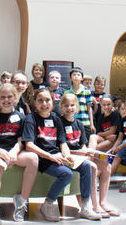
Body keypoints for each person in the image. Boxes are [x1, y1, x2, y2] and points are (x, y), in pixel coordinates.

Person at [23, 88, 101, 221]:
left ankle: (85, 207)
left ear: (52, 103)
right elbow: (29, 145)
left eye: (47, 100)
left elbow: (62, 143)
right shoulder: (31, 119)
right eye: (40, 100)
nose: (44, 104)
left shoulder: (55, 118)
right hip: (43, 159)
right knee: (66, 174)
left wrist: (67, 156)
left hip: (58, 156)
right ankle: (47, 204)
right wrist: (50, 156)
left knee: (87, 166)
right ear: (34, 103)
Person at [0, 82, 38, 224]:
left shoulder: (21, 117)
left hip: (12, 153)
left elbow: (20, 142)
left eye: (10, 97)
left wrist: (13, 152)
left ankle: (21, 202)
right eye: (3, 97)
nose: (6, 100)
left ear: (16, 98)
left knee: (33, 159)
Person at [59, 93, 116, 218]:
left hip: (80, 155)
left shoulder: (79, 123)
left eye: (72, 105)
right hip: (67, 156)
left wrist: (87, 151)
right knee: (92, 166)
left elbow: (83, 145)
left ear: (77, 107)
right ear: (61, 107)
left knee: (107, 164)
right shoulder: (59, 123)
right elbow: (62, 147)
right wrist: (83, 153)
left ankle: (102, 203)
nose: (70, 108)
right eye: (66, 105)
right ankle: (93, 206)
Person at [65, 67, 93, 133]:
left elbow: (89, 108)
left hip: (85, 123)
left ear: (82, 78)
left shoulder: (87, 91)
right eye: (74, 75)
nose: (76, 76)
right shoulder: (67, 92)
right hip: (71, 122)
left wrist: (92, 124)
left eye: (78, 75)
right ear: (70, 78)